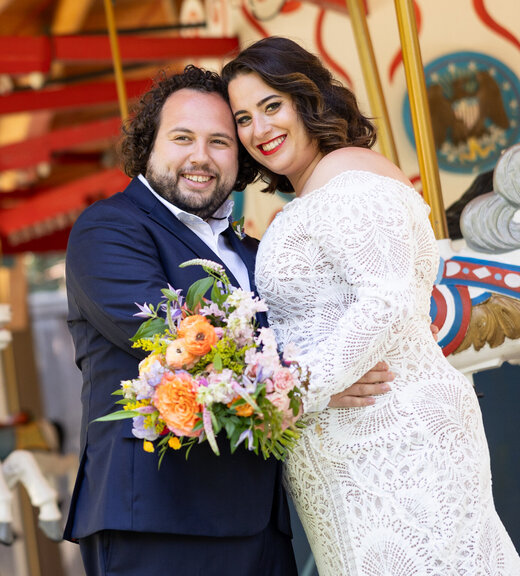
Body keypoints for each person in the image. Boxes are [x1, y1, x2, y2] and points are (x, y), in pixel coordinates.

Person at [63, 65, 391, 576]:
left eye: (220, 141)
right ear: (148, 146)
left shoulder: (261, 251)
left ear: (240, 157)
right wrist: (316, 375)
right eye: (182, 137)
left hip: (263, 522)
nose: (201, 156)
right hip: (158, 518)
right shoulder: (108, 230)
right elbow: (178, 340)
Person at [222, 36, 520, 576]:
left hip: (391, 439)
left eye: (272, 106)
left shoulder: (346, 177)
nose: (259, 129)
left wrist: (291, 392)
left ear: (307, 98)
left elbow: (385, 301)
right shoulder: (317, 186)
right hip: (356, 450)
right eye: (244, 118)